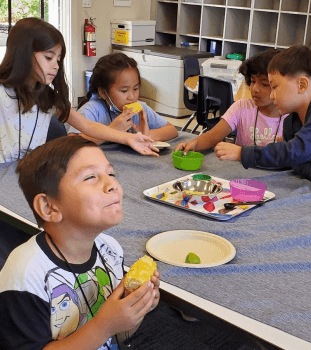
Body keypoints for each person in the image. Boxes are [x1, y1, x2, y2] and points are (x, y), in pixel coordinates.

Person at [0, 135, 160, 349]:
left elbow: (120, 335)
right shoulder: (25, 275)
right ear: (49, 207)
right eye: (90, 177)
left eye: (111, 173)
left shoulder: (110, 250)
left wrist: (135, 309)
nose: (112, 184)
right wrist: (104, 326)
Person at [0, 17, 159, 164]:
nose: (55, 65)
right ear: (23, 54)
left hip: (29, 175)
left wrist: (128, 138)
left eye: (58, 59)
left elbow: (88, 126)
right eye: (49, 58)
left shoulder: (47, 96)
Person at [215, 45, 311, 190]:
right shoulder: (290, 122)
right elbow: (299, 164)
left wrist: (243, 153)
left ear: (302, 85)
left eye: (274, 87)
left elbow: (296, 151)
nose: (272, 95)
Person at [175, 49, 288, 155]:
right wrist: (194, 144)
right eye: (252, 81)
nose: (255, 89)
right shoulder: (242, 106)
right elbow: (213, 136)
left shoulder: (292, 117)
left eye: (264, 84)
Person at [68, 52, 178, 144]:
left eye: (135, 89)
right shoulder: (91, 110)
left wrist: (147, 134)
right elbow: (71, 143)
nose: (132, 96)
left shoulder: (141, 109)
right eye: (124, 91)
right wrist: (112, 131)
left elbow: (172, 130)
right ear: (103, 92)